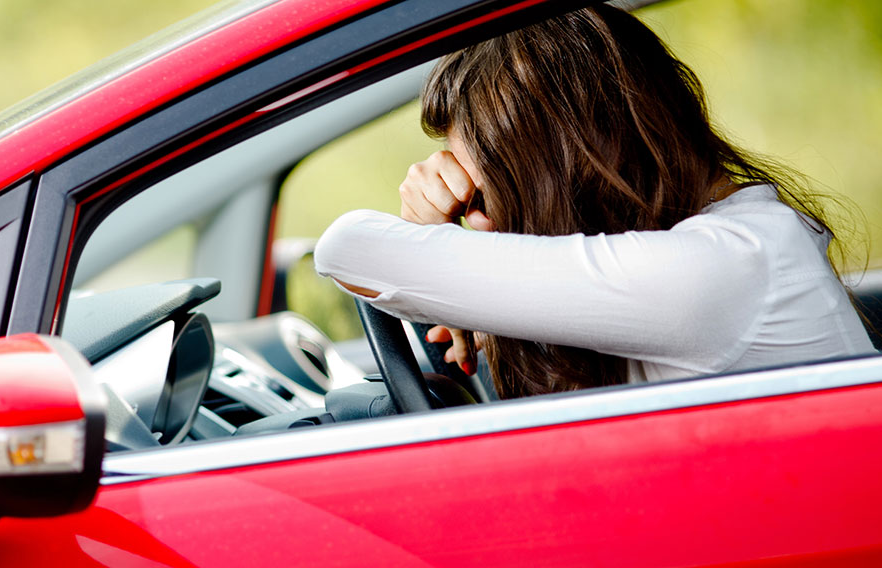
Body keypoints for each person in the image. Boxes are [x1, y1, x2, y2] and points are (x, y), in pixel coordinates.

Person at [313, 5, 875, 399]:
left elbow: (346, 247)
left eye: (482, 192)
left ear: (563, 166)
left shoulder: (717, 273)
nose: (481, 216)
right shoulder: (746, 237)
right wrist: (452, 287)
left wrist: (427, 239)